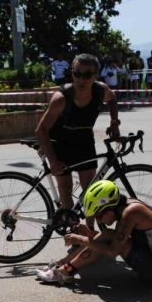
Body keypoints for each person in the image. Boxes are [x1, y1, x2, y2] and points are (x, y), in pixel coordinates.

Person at [36, 180, 152, 286]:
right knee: (108, 234)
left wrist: (81, 240)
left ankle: (64, 273)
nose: (98, 219)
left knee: (108, 240)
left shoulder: (131, 212)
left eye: (99, 215)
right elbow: (115, 237)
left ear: (110, 208)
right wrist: (89, 234)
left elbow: (112, 251)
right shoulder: (126, 205)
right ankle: (62, 265)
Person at [35, 53, 120, 226]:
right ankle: (73, 232)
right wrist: (53, 161)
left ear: (96, 75)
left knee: (89, 190)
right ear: (71, 73)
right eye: (77, 73)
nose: (81, 79)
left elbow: (112, 99)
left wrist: (114, 123)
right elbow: (41, 130)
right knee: (65, 190)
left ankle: (89, 232)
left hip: (84, 140)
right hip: (60, 143)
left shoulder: (100, 90)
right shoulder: (61, 98)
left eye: (87, 75)